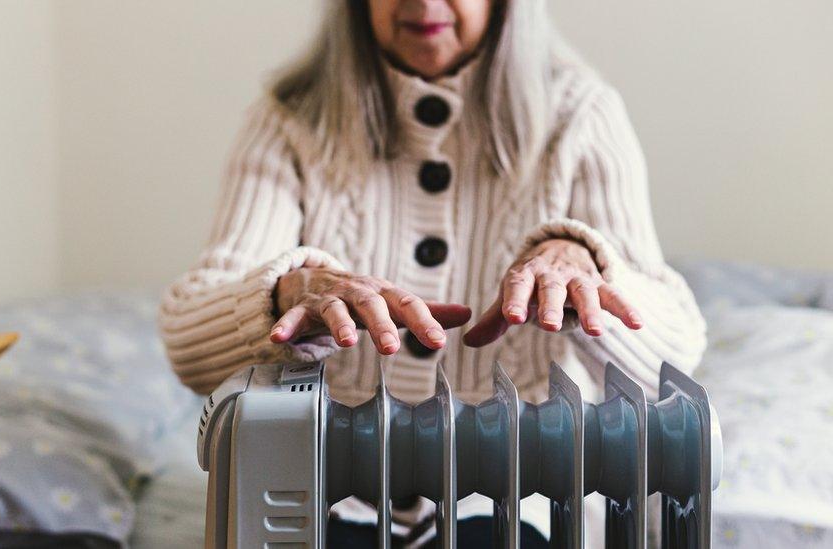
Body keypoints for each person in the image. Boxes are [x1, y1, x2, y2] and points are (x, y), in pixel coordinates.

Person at [159, 0, 706, 545]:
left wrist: (586, 267)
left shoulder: (582, 116)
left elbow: (674, 355)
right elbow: (188, 344)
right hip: (318, 496)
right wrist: (285, 294)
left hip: (524, 501)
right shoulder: (289, 119)